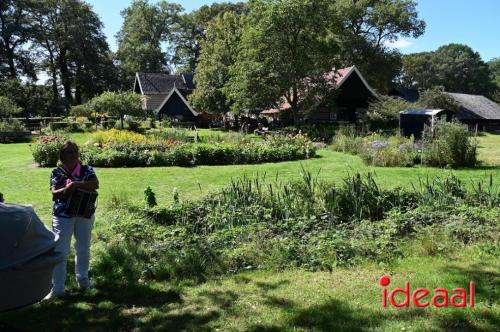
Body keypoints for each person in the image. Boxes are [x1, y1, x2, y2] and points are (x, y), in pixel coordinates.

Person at [45, 141, 99, 299]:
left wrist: (74, 185)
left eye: (75, 151)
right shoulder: (57, 172)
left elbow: (95, 184)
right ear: (62, 155)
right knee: (60, 251)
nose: (73, 154)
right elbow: (55, 192)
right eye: (69, 152)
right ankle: (58, 288)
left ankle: (83, 281)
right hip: (63, 216)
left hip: (84, 215)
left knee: (83, 249)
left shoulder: (86, 169)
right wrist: (66, 189)